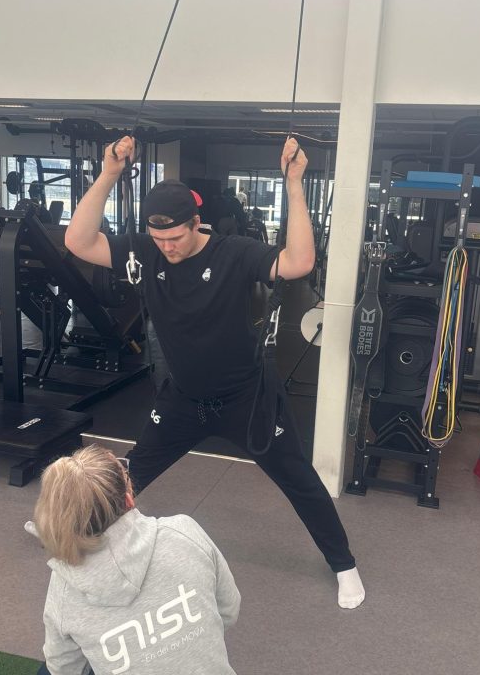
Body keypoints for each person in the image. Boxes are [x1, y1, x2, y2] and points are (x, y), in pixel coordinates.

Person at [64, 136, 365, 610]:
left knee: (299, 479)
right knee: (130, 474)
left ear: (196, 223)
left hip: (247, 399)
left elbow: (299, 262)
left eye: (175, 238)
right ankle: (76, 531)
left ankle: (344, 564)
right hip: (183, 399)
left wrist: (294, 184)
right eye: (159, 239)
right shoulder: (145, 252)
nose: (167, 248)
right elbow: (79, 242)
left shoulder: (233, 252)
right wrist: (108, 174)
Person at [33, 444, 241, 675]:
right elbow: (228, 610)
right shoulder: (183, 531)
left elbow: (62, 669)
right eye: (125, 471)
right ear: (128, 500)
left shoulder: (64, 586)